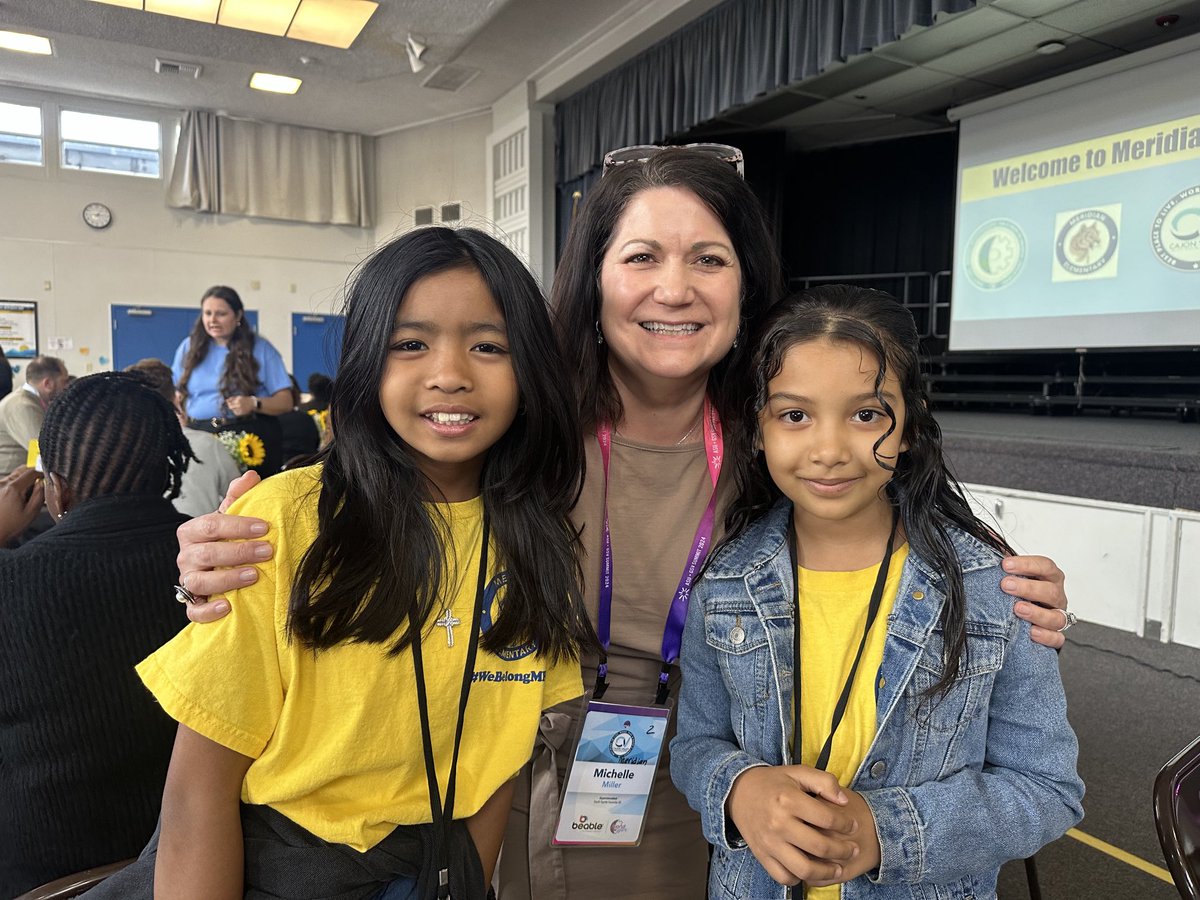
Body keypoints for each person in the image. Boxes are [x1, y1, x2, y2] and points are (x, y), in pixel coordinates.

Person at [174, 149, 1075, 900]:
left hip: (707, 788)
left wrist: (1009, 594)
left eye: (709, 260)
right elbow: (386, 478)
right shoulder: (523, 420)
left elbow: (894, 514)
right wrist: (229, 540)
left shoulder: (780, 438)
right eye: (642, 257)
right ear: (595, 278)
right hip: (514, 784)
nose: (673, 289)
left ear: (746, 284)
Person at [89, 227, 593, 900]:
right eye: (410, 344)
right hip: (279, 869)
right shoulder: (287, 523)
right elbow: (197, 790)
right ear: (365, 365)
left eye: (489, 346)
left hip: (436, 867)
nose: (450, 373)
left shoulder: (538, 537)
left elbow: (496, 761)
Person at [671, 286, 1084, 899]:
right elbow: (695, 743)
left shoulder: (992, 589)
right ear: (757, 430)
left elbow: (1048, 788)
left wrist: (885, 831)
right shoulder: (725, 582)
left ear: (910, 425)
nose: (830, 450)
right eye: (794, 415)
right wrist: (738, 786)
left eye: (866, 415)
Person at [0, 372, 192, 897]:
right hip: (203, 864)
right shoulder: (218, 563)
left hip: (40, 880)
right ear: (167, 469)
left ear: (54, 487)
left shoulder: (12, 583)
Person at [172, 286, 292, 477]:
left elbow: (286, 401)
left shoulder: (260, 348)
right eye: (207, 313)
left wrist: (253, 403)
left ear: (238, 316)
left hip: (246, 436)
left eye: (221, 314)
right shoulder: (189, 347)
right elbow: (176, 392)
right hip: (198, 433)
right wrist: (178, 416)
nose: (212, 320)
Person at [125, 358, 243, 518]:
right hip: (202, 538)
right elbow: (242, 500)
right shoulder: (207, 445)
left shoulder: (122, 451)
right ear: (177, 398)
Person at [0, 354, 69, 473]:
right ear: (47, 384)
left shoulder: (28, 401)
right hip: (8, 483)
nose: (67, 387)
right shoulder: (23, 406)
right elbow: (47, 454)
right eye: (64, 382)